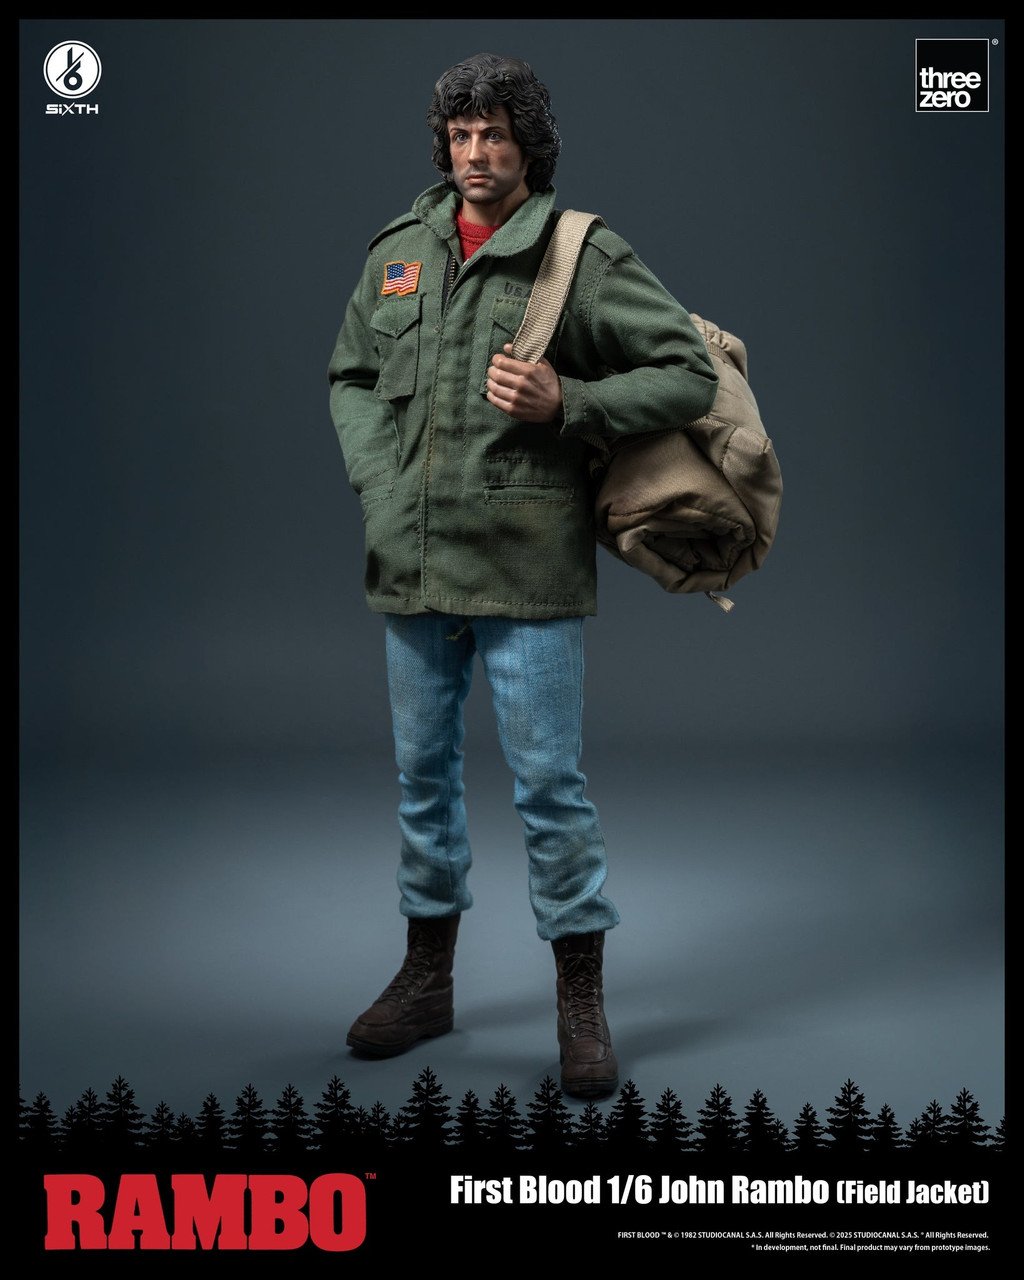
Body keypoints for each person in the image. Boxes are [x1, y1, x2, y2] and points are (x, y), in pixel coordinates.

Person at [327, 52, 718, 1098]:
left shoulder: (576, 254)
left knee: (549, 789)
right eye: (460, 135)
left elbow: (685, 373)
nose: (475, 153)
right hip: (412, 561)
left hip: (526, 565)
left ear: (528, 147)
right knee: (422, 781)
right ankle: (426, 980)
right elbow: (352, 377)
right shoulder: (399, 252)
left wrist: (571, 404)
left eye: (494, 134)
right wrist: (379, 481)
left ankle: (580, 1000)